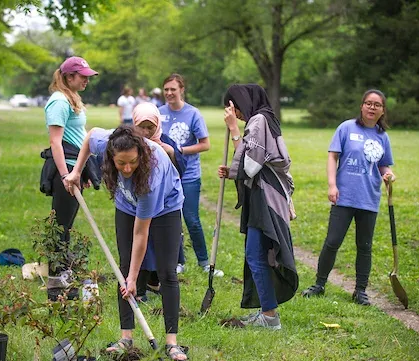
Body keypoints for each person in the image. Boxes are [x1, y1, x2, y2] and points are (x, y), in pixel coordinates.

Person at [64, 126, 188, 361]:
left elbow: (141, 234)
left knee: (166, 271)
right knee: (124, 271)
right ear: (111, 156)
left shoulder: (152, 173)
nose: (128, 168)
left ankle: (172, 343)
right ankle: (126, 338)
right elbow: (90, 137)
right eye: (121, 164)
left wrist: (134, 279)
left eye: (132, 162)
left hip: (167, 206)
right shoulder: (108, 143)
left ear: (140, 154)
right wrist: (76, 172)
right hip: (126, 204)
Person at [302, 89, 394, 306]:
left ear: (382, 110)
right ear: (361, 106)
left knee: (365, 246)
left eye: (377, 105)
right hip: (344, 196)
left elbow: (383, 165)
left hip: (369, 198)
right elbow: (333, 156)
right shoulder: (346, 128)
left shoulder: (383, 137)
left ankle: (360, 291)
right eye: (368, 103)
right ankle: (319, 284)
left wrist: (388, 175)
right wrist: (332, 185)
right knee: (332, 241)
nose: (372, 107)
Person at [218, 84, 298, 330]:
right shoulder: (263, 119)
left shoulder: (259, 120)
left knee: (256, 253)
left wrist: (233, 129)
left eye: (234, 107)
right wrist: (233, 172)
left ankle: (270, 318)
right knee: (259, 253)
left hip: (266, 197)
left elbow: (250, 165)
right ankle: (268, 312)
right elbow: (251, 159)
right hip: (262, 194)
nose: (236, 113)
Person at [43, 56, 98, 300]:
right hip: (64, 170)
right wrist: (66, 175)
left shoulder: (71, 99)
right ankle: (56, 285)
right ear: (68, 76)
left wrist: (82, 170)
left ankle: (64, 275)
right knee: (60, 226)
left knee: (67, 225)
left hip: (75, 167)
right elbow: (56, 141)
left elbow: (78, 136)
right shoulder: (59, 101)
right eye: (82, 76)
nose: (87, 80)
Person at [159, 74, 219, 276]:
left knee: (191, 218)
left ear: (181, 90)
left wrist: (179, 151)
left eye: (173, 89)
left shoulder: (193, 114)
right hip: (166, 175)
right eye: (166, 89)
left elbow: (205, 144)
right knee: (171, 218)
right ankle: (178, 261)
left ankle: (204, 262)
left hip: (189, 175)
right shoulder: (158, 113)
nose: (169, 93)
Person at [132, 102, 187, 302]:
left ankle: (156, 282)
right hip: (142, 202)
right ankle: (139, 290)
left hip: (165, 204)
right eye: (142, 127)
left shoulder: (165, 141)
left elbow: (181, 169)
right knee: (142, 246)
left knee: (161, 245)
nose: (146, 132)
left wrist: (171, 152)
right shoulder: (131, 143)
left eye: (150, 127)